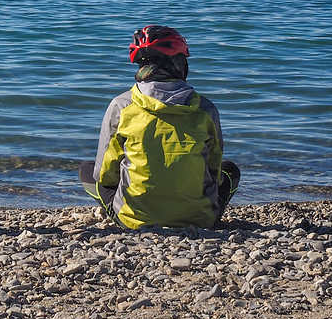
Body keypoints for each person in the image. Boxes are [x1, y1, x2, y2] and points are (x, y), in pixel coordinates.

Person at [80, 25, 240, 229]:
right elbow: (214, 171)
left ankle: (132, 211)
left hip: (134, 220)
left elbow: (104, 173)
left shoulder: (121, 106)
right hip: (201, 219)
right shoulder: (206, 109)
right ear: (180, 64)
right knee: (230, 171)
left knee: (87, 170)